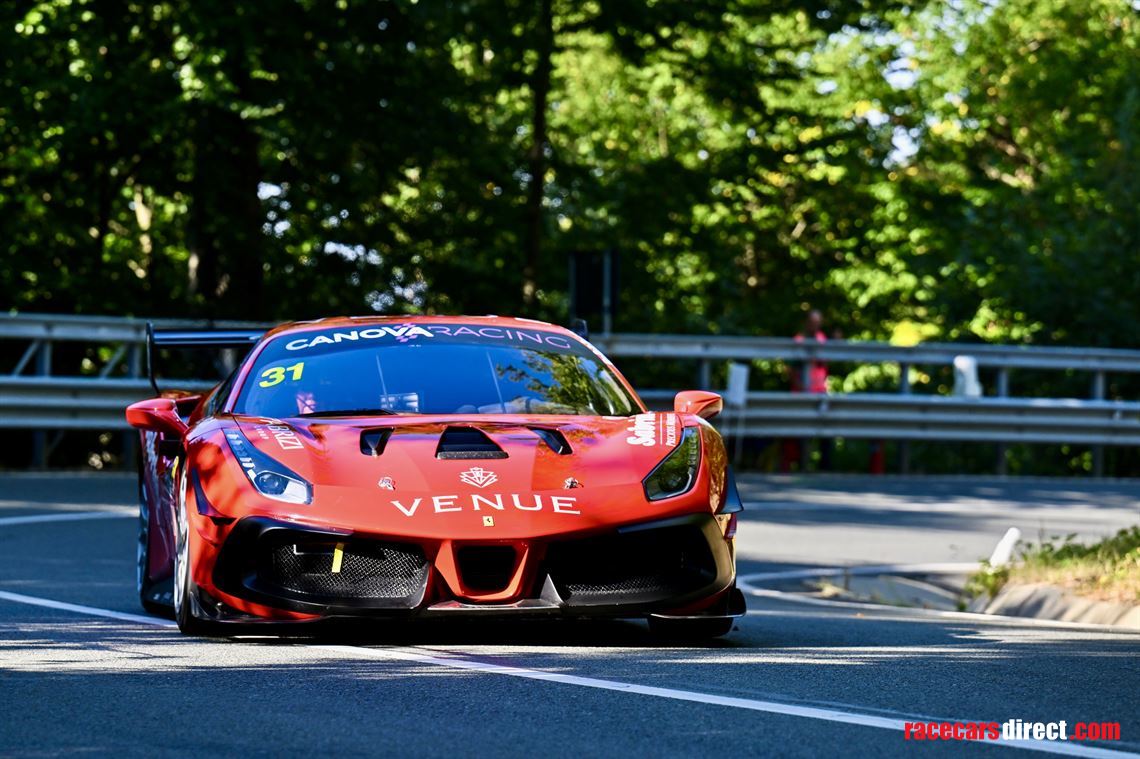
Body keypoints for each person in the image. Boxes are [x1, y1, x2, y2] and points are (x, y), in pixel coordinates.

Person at [782, 309, 832, 472]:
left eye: (818, 322)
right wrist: (799, 385)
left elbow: (825, 367)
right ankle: (799, 464)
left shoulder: (822, 340)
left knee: (826, 429)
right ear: (807, 322)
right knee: (799, 433)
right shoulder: (799, 341)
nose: (815, 325)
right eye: (812, 322)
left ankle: (824, 467)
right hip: (801, 393)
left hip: (820, 392)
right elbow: (789, 369)